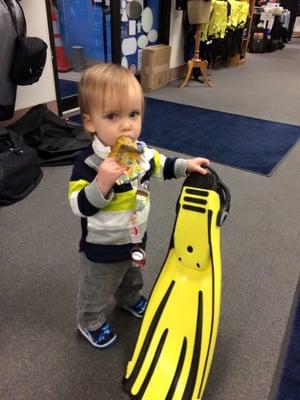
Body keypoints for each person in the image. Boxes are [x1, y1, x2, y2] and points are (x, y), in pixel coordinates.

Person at [68, 63, 210, 349]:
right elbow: (79, 205)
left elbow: (161, 165)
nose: (127, 125)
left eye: (133, 114)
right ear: (90, 123)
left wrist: (185, 166)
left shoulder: (140, 153)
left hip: (134, 239)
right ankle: (90, 321)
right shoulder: (88, 164)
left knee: (132, 275)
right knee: (98, 288)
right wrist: (102, 184)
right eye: (112, 116)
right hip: (101, 248)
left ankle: (130, 299)